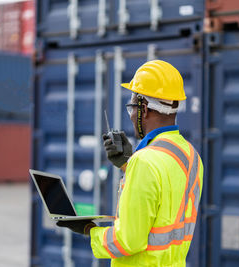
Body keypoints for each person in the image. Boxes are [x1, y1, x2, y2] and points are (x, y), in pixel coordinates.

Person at [57, 60, 203, 266]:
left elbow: (127, 242)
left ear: (144, 109)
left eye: (132, 107)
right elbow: (165, 196)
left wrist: (89, 229)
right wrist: (127, 164)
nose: (132, 116)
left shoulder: (144, 162)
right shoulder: (191, 155)